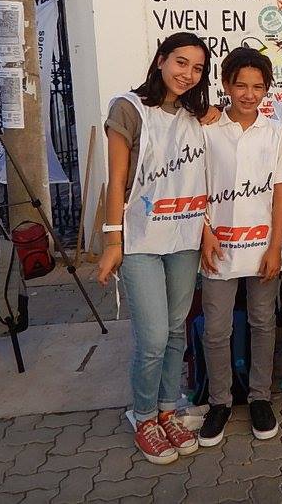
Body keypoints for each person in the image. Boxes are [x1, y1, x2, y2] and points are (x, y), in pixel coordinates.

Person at [98, 32, 212, 465]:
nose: (188, 74)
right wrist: (112, 241)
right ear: (161, 59)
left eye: (197, 68)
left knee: (177, 330)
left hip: (183, 238)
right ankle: (143, 415)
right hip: (141, 239)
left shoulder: (194, 115)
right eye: (181, 62)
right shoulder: (128, 109)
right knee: (152, 338)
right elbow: (116, 180)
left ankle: (168, 409)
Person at [196, 47, 282, 447]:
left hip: (262, 248)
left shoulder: (275, 133)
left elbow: (281, 194)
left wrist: (275, 247)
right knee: (216, 329)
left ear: (267, 89)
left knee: (263, 323)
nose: (249, 94)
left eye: (257, 86)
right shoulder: (207, 131)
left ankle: (259, 397)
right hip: (217, 248)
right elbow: (197, 187)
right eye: (241, 85)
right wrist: (205, 234)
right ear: (226, 85)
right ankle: (219, 402)